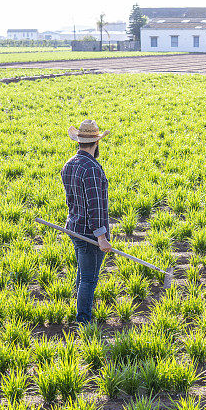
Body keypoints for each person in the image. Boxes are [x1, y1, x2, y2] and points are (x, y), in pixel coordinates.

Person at [62, 120, 112, 324]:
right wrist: (101, 237)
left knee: (83, 273)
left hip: (75, 228)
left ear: (80, 141)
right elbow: (95, 206)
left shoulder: (69, 164)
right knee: (89, 278)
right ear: (96, 143)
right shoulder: (91, 168)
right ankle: (83, 320)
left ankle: (80, 308)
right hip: (90, 233)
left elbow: (71, 200)